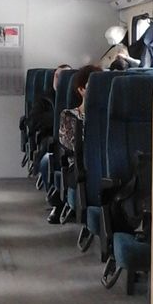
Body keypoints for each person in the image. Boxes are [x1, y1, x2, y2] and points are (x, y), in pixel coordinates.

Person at [47, 63, 100, 223]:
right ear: (81, 90)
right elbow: (70, 145)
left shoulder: (111, 118)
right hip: (78, 166)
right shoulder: (69, 115)